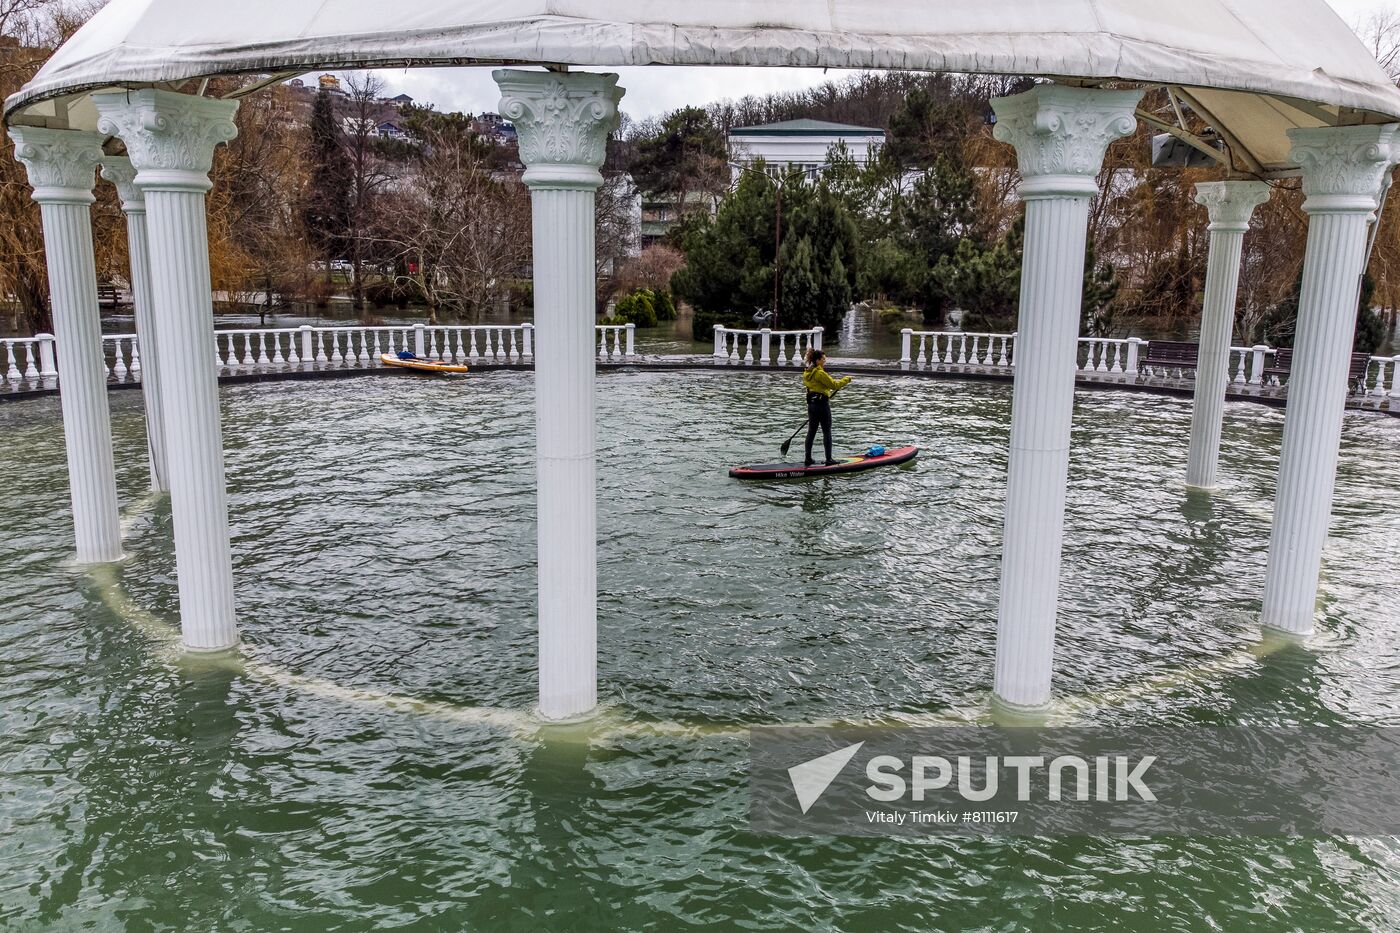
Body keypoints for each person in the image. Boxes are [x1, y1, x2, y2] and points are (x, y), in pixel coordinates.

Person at [801, 348, 851, 467]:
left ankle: (808, 459)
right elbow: (834, 385)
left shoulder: (806, 373)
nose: (825, 360)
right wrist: (846, 379)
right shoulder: (820, 373)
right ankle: (829, 459)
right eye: (823, 359)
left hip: (811, 405)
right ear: (818, 361)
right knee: (827, 431)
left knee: (811, 432)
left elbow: (817, 386)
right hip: (822, 405)